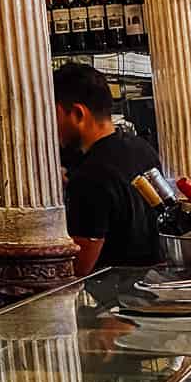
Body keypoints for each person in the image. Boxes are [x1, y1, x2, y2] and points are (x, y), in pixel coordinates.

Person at [54, 62, 160, 276]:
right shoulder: (141, 148)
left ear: (77, 113)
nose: (50, 125)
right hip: (149, 285)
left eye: (53, 114)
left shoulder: (90, 175)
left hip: (112, 299)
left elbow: (78, 268)